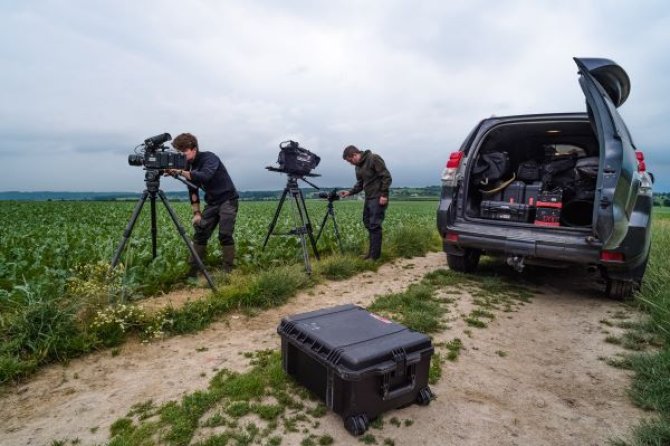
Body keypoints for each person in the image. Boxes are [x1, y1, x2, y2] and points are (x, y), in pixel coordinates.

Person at [166, 133, 239, 274]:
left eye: (184, 152)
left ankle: (228, 270)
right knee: (200, 232)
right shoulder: (188, 165)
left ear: (194, 148)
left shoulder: (209, 158)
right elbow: (192, 190)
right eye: (179, 152)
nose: (182, 155)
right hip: (212, 203)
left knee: (225, 234)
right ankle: (193, 269)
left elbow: (205, 176)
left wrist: (180, 172)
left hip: (227, 200)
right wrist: (197, 213)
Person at [339, 145, 392, 260]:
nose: (350, 163)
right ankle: (371, 253)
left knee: (374, 225)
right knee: (367, 223)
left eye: (350, 160)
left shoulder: (373, 158)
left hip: (378, 197)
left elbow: (386, 177)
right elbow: (360, 184)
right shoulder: (358, 167)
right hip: (369, 198)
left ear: (355, 155)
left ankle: (374, 257)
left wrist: (384, 195)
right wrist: (349, 192)